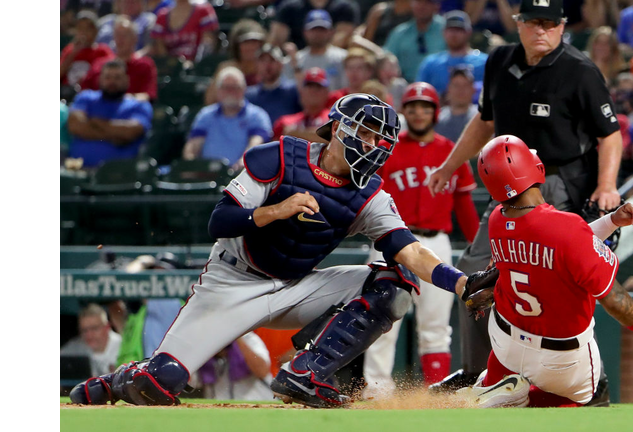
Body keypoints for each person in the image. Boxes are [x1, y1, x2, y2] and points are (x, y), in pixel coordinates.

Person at [69, 93, 480, 409]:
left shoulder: (370, 193)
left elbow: (410, 252)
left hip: (296, 286)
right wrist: (276, 211)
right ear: (338, 128)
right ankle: (118, 380)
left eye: (381, 139)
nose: (375, 145)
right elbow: (221, 220)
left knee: (396, 280)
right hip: (232, 280)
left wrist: (461, 284)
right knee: (158, 384)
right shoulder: (281, 155)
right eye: (368, 132)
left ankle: (307, 372)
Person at [426, 0, 623, 405]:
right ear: (518, 24)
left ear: (563, 26)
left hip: (558, 183)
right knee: (472, 273)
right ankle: (478, 371)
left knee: (567, 281)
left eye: (550, 23)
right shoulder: (499, 60)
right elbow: (483, 122)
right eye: (534, 21)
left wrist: (607, 185)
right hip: (507, 187)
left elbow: (610, 134)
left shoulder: (581, 70)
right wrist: (449, 166)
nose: (542, 31)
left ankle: (593, 379)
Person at [453, 135, 633, 408]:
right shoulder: (567, 227)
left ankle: (496, 392)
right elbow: (615, 299)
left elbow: (567, 243)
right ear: (536, 168)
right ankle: (517, 402)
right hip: (561, 359)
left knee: (503, 382)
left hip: (505, 343)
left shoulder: (497, 219)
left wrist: (611, 221)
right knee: (587, 399)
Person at [362, 82, 479, 399]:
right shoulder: (389, 147)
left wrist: (478, 246)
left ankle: (434, 395)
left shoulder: (450, 151)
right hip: (390, 240)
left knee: (435, 328)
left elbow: (465, 208)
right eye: (412, 107)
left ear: (434, 112)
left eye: (424, 107)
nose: (418, 113)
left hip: (436, 244)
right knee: (381, 320)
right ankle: (375, 391)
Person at [67, 59, 153, 169]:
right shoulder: (86, 98)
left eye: (117, 77)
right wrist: (115, 135)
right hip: (77, 170)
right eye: (107, 77)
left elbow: (129, 132)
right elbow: (75, 125)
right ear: (100, 79)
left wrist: (94, 122)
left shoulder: (139, 105)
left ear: (127, 80)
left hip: (118, 174)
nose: (112, 82)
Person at [183, 67, 273, 170]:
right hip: (207, 174)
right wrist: (191, 166)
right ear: (218, 90)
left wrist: (241, 164)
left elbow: (256, 145)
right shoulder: (205, 115)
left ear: (244, 89)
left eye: (235, 87)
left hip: (242, 175)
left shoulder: (257, 115)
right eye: (226, 87)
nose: (230, 92)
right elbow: (193, 146)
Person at [81, 16, 159, 101]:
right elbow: (84, 92)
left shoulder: (145, 65)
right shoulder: (99, 63)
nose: (120, 40)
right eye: (117, 35)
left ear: (135, 39)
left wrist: (120, 100)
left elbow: (148, 95)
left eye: (124, 35)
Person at [415, 10, 488, 98]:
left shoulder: (484, 62)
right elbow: (419, 94)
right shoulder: (431, 63)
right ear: (443, 32)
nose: (454, 34)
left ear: (469, 32)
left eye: (459, 30)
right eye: (450, 30)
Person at [204, 20, 268, 106]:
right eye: (245, 42)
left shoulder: (268, 69)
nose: (250, 47)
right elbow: (210, 102)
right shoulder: (226, 69)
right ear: (236, 46)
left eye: (254, 42)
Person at [198, 332, 274, 401]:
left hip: (254, 406)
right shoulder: (206, 343)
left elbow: (262, 372)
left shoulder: (248, 337)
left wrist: (237, 338)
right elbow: (192, 382)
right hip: (220, 409)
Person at [383, 0, 446, 83]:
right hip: (405, 86)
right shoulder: (400, 32)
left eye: (428, 2)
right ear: (411, 4)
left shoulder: (447, 29)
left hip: (440, 86)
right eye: (418, 2)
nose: (422, 6)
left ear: (436, 6)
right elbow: (387, 56)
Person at [286, 9, 349, 92]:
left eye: (322, 30)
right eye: (313, 29)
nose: (318, 34)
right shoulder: (294, 60)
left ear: (331, 32)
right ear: (305, 32)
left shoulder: (343, 57)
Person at [245, 45, 302, 127]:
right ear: (256, 65)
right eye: (262, 61)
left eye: (272, 60)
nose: (267, 65)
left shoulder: (292, 91)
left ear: (280, 65)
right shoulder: (250, 95)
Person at [269, 0, 361, 50]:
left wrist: (315, 56)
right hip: (296, 60)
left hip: (332, 61)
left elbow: (341, 40)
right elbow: (276, 42)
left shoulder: (345, 8)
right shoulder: (288, 7)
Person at [61, 303, 123, 377]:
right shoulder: (74, 348)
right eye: (84, 330)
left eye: (94, 328)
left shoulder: (123, 345)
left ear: (107, 327)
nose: (89, 335)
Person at [272, 68, 331, 142]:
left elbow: (330, 138)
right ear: (301, 91)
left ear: (327, 92)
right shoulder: (285, 122)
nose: (313, 91)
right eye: (309, 86)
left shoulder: (333, 119)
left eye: (318, 87)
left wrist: (295, 133)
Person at [149, 0, 219, 62]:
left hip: (197, 66)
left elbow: (208, 42)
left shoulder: (204, 11)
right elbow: (160, 48)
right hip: (171, 69)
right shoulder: (162, 16)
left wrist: (195, 62)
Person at [61, 11, 114, 87]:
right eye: (80, 28)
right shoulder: (69, 50)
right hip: (68, 92)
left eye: (87, 29)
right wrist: (73, 53)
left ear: (95, 31)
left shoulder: (103, 50)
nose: (83, 32)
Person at [434, 66, 478, 144]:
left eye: (465, 85)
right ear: (448, 89)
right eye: (456, 85)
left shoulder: (482, 118)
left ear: (473, 89)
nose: (461, 90)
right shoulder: (437, 118)